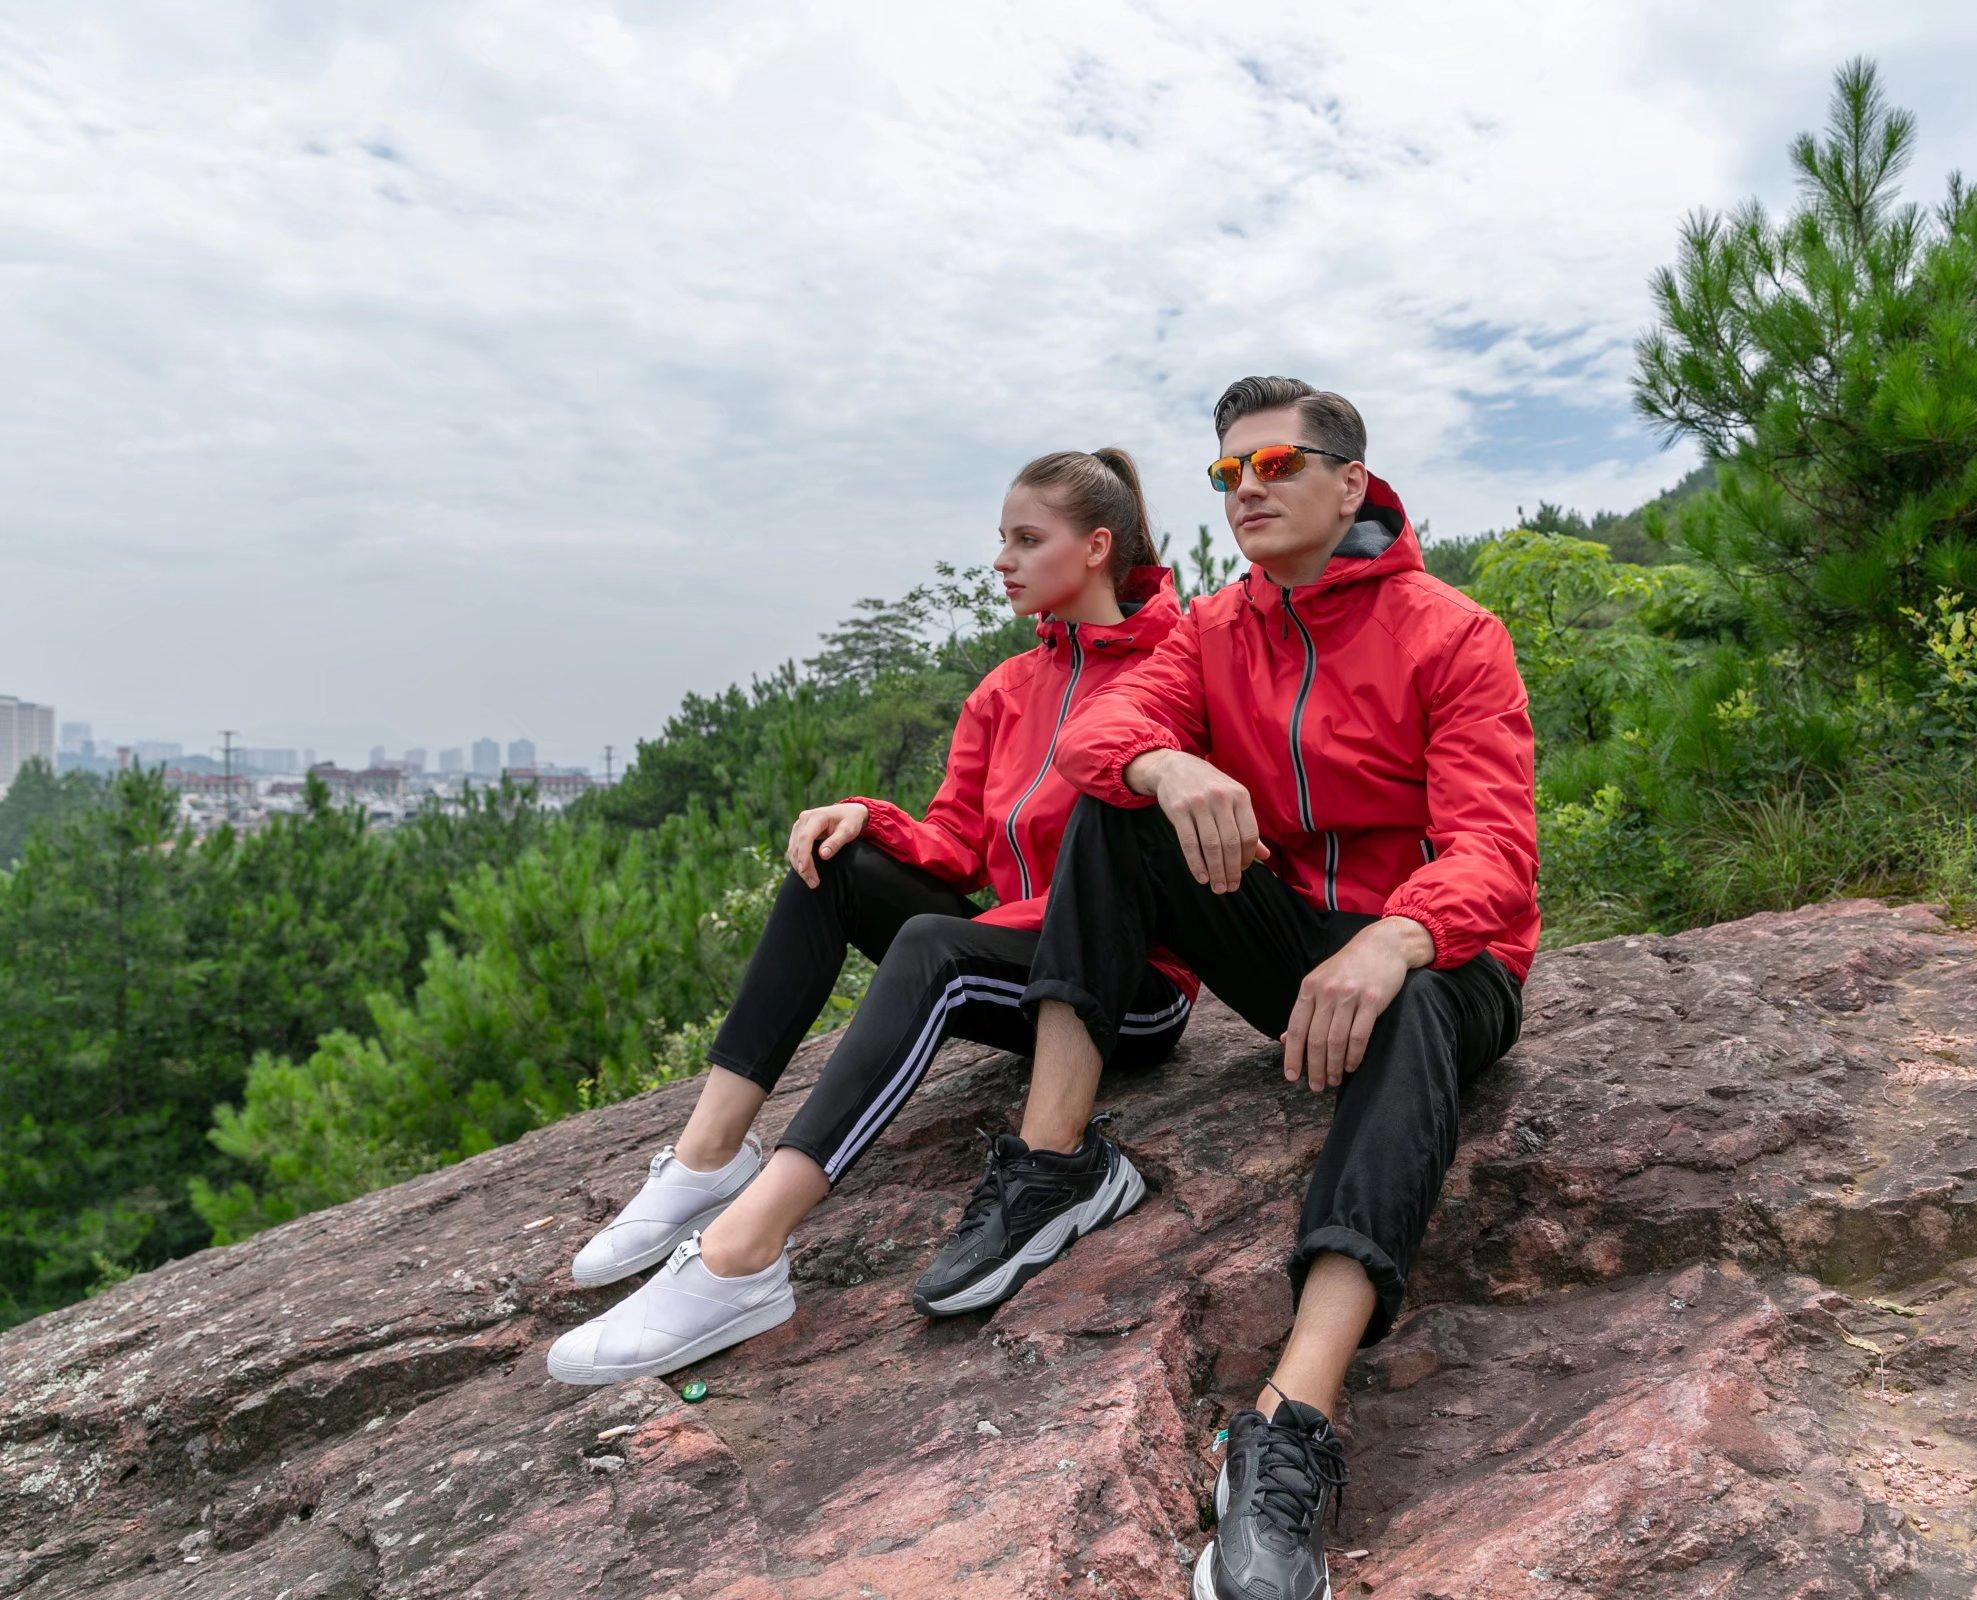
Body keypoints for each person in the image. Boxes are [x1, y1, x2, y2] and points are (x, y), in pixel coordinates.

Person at [1014, 378, 1538, 1600]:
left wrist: (1398, 935)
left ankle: (1289, 1419)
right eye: (1227, 473)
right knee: (1115, 809)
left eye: (1276, 465)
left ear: (1351, 484)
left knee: (1411, 1002)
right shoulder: (1212, 630)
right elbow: (1092, 737)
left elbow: (1496, 852)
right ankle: (1051, 1164)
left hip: (1444, 966)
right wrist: (1166, 763)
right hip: (1296, 950)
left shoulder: (1452, 632)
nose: (1246, 488)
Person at [547, 448, 1197, 1385]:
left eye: (1027, 540)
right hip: (1021, 958)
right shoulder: (1006, 691)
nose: (1002, 561)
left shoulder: (1179, 666)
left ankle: (742, 1255)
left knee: (937, 948)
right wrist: (867, 818)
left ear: (1096, 548)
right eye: (1001, 540)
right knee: (835, 865)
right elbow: (958, 841)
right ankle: (708, 1157)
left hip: (1127, 990)